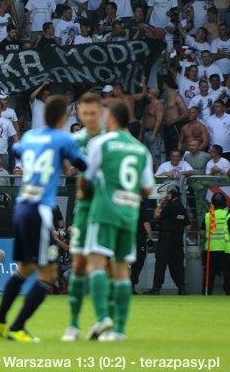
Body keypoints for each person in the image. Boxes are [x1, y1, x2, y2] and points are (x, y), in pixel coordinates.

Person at [0, 95, 87, 343]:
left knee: (25, 268)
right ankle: (17, 327)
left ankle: (0, 321)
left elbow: (15, 149)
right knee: (49, 274)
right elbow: (81, 163)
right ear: (64, 118)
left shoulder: (31, 137)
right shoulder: (63, 137)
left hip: (22, 206)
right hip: (39, 209)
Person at [81, 101, 155, 341]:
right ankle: (120, 330)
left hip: (104, 211)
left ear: (112, 118)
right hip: (129, 214)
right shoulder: (140, 149)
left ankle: (103, 318)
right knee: (122, 270)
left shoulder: (100, 143)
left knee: (96, 263)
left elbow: (88, 178)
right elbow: (147, 188)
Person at [62, 92, 104, 342]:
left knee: (82, 265)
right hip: (100, 207)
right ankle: (104, 320)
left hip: (90, 206)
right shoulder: (111, 138)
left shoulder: (79, 139)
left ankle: (76, 325)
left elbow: (65, 166)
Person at [144, 188, 189, 295]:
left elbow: (156, 215)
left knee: (160, 265)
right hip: (178, 241)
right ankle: (181, 289)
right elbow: (188, 226)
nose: (166, 195)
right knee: (177, 266)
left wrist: (160, 203)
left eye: (168, 194)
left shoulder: (169, 206)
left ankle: (156, 288)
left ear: (172, 195)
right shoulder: (182, 208)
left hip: (165, 240)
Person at [202, 193, 229, 295]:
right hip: (226, 249)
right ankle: (228, 293)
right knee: (227, 274)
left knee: (209, 274)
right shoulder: (228, 215)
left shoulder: (208, 215)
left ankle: (206, 292)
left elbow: (202, 232)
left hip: (211, 249)